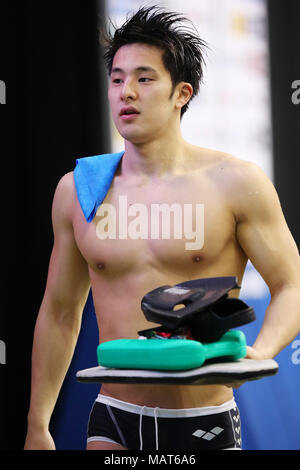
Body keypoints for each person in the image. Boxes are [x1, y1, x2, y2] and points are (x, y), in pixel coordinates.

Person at [24, 6, 300, 450]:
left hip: (203, 418)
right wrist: (38, 423)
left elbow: (291, 284)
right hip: (113, 416)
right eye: (116, 79)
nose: (125, 92)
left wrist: (261, 353)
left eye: (144, 78)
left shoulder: (236, 182)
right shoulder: (78, 190)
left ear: (181, 93)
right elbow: (59, 311)